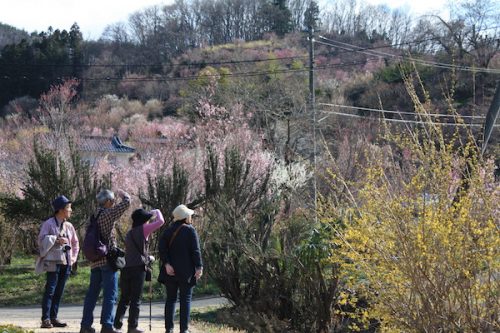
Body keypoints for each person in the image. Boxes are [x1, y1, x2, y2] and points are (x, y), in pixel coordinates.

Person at [80, 189, 131, 333]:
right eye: (113, 200)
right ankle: (107, 325)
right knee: (110, 294)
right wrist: (122, 193)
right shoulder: (108, 214)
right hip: (107, 261)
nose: (114, 202)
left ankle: (85, 325)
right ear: (108, 202)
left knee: (92, 295)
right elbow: (127, 203)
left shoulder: (91, 217)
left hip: (94, 261)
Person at [114, 208, 165, 333]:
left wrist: (147, 257)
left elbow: (132, 252)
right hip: (138, 269)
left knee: (125, 298)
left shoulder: (129, 233)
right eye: (147, 219)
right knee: (136, 299)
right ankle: (132, 327)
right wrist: (157, 211)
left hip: (126, 268)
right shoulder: (143, 229)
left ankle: (117, 325)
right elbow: (161, 222)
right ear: (143, 221)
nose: (149, 222)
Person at [158, 204, 203, 333]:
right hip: (186, 272)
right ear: (185, 217)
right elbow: (195, 250)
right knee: (185, 299)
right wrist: (199, 266)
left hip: (170, 271)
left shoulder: (167, 231)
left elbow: (162, 249)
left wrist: (167, 264)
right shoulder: (190, 230)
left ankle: (169, 329)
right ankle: (184, 329)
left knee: (170, 299)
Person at [37, 195, 79, 329]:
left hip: (66, 262)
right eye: (69, 208)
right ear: (61, 210)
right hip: (53, 262)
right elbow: (40, 240)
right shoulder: (48, 223)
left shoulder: (69, 226)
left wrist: (73, 259)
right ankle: (46, 319)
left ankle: (54, 317)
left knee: (59, 291)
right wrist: (56, 240)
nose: (71, 210)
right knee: (50, 290)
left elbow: (75, 243)